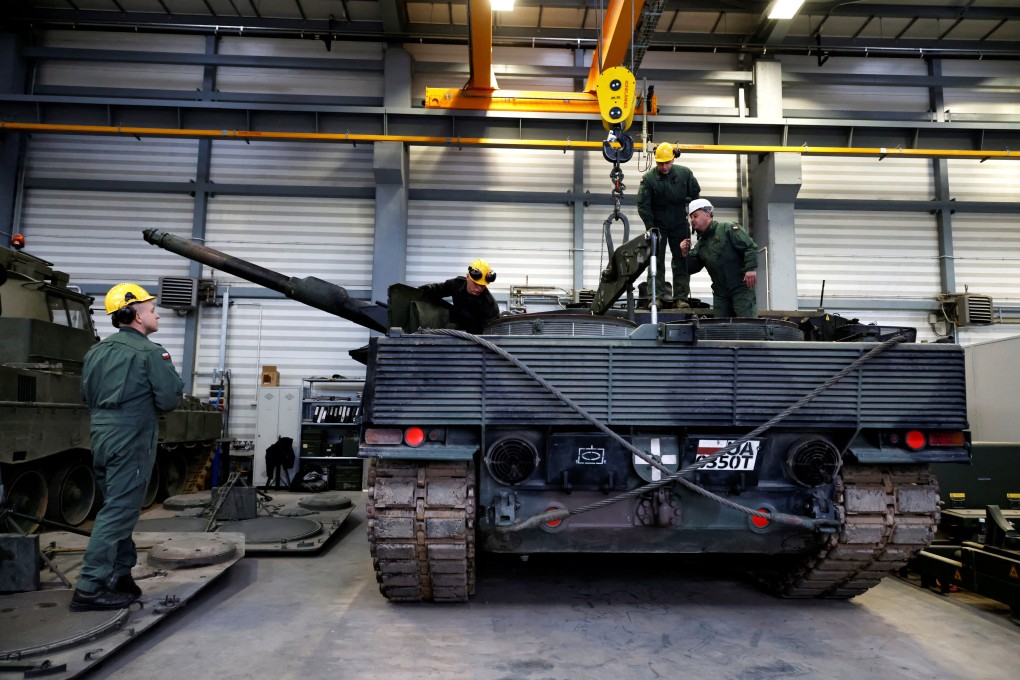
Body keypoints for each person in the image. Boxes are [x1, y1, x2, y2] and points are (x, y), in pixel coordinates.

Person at [71, 283, 184, 612]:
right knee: (119, 512)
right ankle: (89, 586)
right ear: (133, 315)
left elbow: (86, 395)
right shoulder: (150, 352)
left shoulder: (95, 352)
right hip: (131, 436)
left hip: (101, 435)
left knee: (115, 507)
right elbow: (169, 398)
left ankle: (119, 575)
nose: (157, 313)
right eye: (151, 309)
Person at [636, 141, 701, 306]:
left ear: (673, 160)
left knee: (681, 259)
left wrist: (695, 222)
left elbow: (696, 199)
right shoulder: (649, 179)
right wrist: (651, 228)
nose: (664, 166)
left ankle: (681, 298)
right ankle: (656, 297)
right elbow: (643, 206)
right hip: (657, 225)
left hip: (680, 223)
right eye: (660, 163)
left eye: (667, 162)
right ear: (656, 161)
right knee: (655, 259)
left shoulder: (685, 174)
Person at [680, 199, 759, 318]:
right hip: (720, 293)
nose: (692, 220)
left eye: (695, 216)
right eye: (691, 217)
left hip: (740, 288)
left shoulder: (727, 229)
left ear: (707, 215)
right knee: (721, 328)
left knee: (747, 326)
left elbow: (750, 247)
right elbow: (691, 268)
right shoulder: (701, 245)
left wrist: (750, 269)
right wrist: (684, 253)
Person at [418, 259, 500, 334]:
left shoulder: (490, 306)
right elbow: (438, 289)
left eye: (482, 286)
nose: (479, 288)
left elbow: (492, 333)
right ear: (468, 277)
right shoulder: (456, 284)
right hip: (455, 329)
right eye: (476, 284)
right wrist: (424, 289)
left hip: (477, 338)